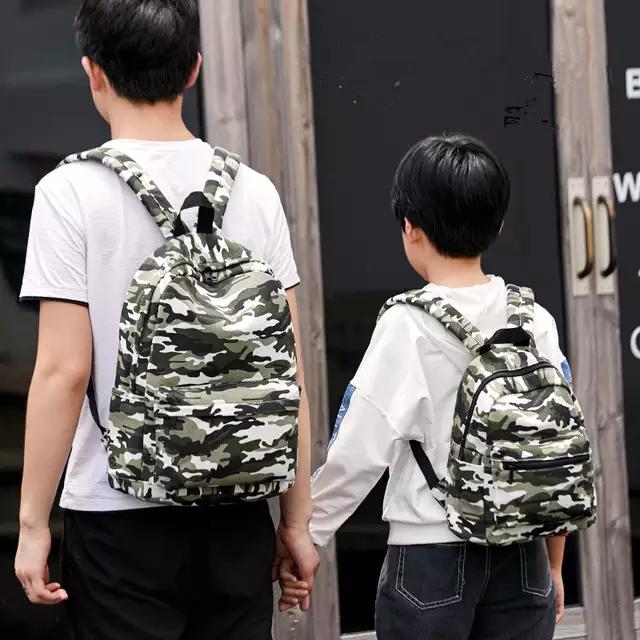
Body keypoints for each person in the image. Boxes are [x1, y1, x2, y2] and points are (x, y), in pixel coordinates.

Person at [14, 1, 318, 638]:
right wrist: (296, 522)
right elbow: (288, 378)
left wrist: (33, 524)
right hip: (238, 507)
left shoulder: (69, 193)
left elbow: (64, 372)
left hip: (118, 513)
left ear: (93, 72)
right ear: (194, 69)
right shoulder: (255, 191)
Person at [283, 134, 570, 637]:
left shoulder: (408, 323)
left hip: (431, 558)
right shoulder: (533, 319)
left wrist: (307, 533)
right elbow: (556, 446)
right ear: (498, 225)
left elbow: (359, 449)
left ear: (409, 228)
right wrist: (554, 565)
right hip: (524, 554)